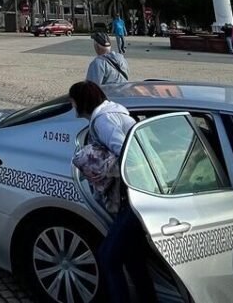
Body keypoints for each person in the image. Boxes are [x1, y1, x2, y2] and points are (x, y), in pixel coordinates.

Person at [70, 81, 157, 303]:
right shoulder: (114, 112)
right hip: (142, 192)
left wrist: (102, 168)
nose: (72, 106)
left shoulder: (103, 121)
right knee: (132, 257)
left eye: (73, 101)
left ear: (81, 101)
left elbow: (130, 157)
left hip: (135, 197)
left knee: (108, 257)